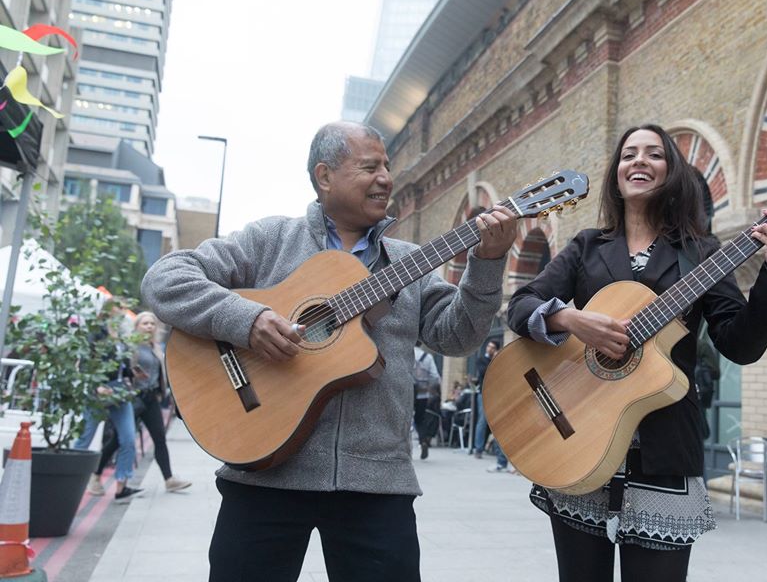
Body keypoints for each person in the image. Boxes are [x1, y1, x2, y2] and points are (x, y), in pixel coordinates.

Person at [140, 121, 517, 582]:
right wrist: (248, 320)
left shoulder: (409, 262)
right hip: (262, 471)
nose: (386, 178)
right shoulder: (271, 240)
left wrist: (488, 263)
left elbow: (458, 338)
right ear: (324, 176)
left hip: (377, 484)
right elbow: (165, 279)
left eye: (387, 167)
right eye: (370, 166)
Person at [506, 124, 767, 581]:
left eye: (654, 154)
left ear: (672, 172)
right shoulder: (587, 246)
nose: (639, 161)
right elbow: (520, 306)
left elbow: (740, 345)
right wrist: (570, 319)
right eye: (628, 154)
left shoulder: (703, 252)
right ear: (616, 174)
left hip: (664, 447)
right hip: (579, 436)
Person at [88, 312, 191, 495]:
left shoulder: (156, 347)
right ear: (137, 326)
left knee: (159, 438)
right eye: (145, 323)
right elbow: (123, 368)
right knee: (119, 439)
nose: (150, 326)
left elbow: (161, 373)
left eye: (152, 323)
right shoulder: (131, 346)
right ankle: (95, 475)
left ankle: (169, 479)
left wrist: (166, 393)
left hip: (151, 398)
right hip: (133, 396)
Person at [74, 307, 143, 503]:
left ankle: (121, 486)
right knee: (86, 436)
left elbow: (122, 366)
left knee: (129, 438)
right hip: (100, 388)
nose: (119, 315)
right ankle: (73, 478)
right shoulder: (96, 334)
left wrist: (132, 373)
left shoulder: (121, 337)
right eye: (116, 312)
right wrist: (96, 386)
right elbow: (86, 362)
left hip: (121, 391)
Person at [471, 339, 500, 457]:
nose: (490, 349)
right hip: (483, 393)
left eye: (493, 347)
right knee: (482, 421)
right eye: (489, 346)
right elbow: (485, 372)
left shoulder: (498, 360)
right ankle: (479, 449)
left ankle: (495, 449)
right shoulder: (481, 360)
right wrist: (494, 360)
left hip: (496, 394)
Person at [413, 345, 441, 459]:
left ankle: (403, 447)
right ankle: (423, 441)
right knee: (420, 419)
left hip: (406, 392)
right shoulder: (427, 357)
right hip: (422, 394)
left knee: (404, 418)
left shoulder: (405, 352)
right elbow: (435, 377)